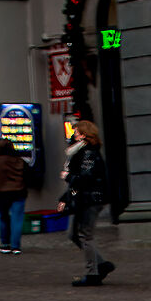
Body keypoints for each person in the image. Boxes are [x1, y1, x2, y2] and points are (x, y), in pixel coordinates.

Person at [60, 119, 115, 286]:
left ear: (84, 135)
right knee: (76, 234)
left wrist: (68, 177)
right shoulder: (83, 152)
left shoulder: (88, 153)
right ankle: (101, 265)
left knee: (84, 234)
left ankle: (93, 272)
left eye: (76, 132)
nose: (72, 135)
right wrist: (66, 196)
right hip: (86, 198)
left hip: (90, 199)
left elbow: (86, 178)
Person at [0, 138, 29, 253]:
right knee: (16, 219)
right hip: (19, 192)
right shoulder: (20, 161)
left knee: (3, 218)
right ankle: (16, 246)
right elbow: (28, 176)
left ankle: (5, 244)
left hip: (1, 193)